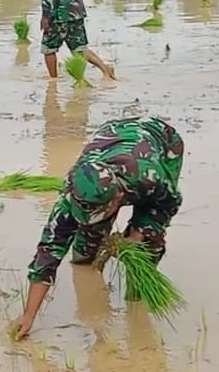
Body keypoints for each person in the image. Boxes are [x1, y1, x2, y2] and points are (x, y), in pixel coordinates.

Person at [12, 116, 185, 339]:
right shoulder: (71, 194)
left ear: (118, 197)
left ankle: (136, 303)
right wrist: (28, 315)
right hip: (111, 135)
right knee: (86, 249)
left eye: (100, 211)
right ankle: (94, 304)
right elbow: (48, 253)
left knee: (147, 244)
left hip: (162, 140)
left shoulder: (149, 178)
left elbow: (168, 203)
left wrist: (137, 235)